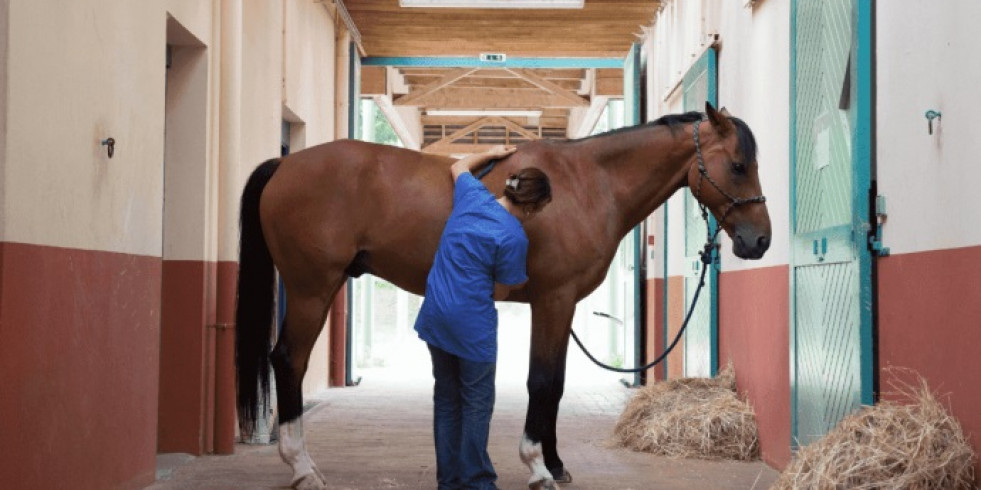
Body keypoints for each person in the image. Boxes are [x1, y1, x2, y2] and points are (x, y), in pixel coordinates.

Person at [414, 145, 553, 490]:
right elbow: (501, 291)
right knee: (476, 403)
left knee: (446, 399)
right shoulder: (513, 236)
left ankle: (449, 482)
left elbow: (459, 165)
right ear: (532, 206)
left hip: (435, 314)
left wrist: (490, 152)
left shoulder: (473, 196)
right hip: (471, 327)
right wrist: (518, 279)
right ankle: (476, 481)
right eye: (538, 211)